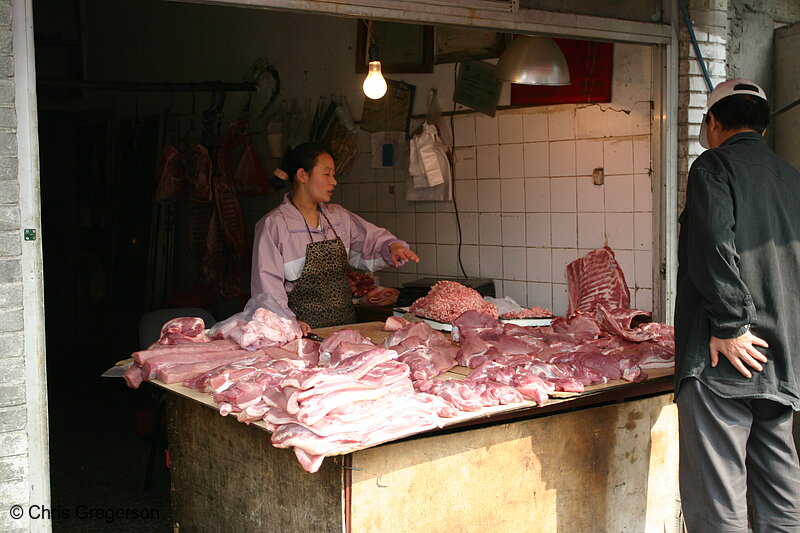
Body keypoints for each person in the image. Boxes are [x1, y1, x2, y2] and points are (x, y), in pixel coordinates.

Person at [675, 78, 800, 532]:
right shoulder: (792, 178)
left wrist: (731, 325)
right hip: (780, 357)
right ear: (763, 129)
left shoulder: (713, 166)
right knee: (778, 486)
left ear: (712, 123)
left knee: (717, 495)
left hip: (722, 360)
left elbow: (712, 244)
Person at [251, 142, 418, 333]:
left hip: (344, 327)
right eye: (326, 174)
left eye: (333, 174)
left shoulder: (337, 217)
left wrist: (392, 247)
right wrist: (288, 322)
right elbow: (267, 289)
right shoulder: (274, 225)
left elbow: (369, 242)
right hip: (302, 332)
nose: (334, 181)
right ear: (302, 175)